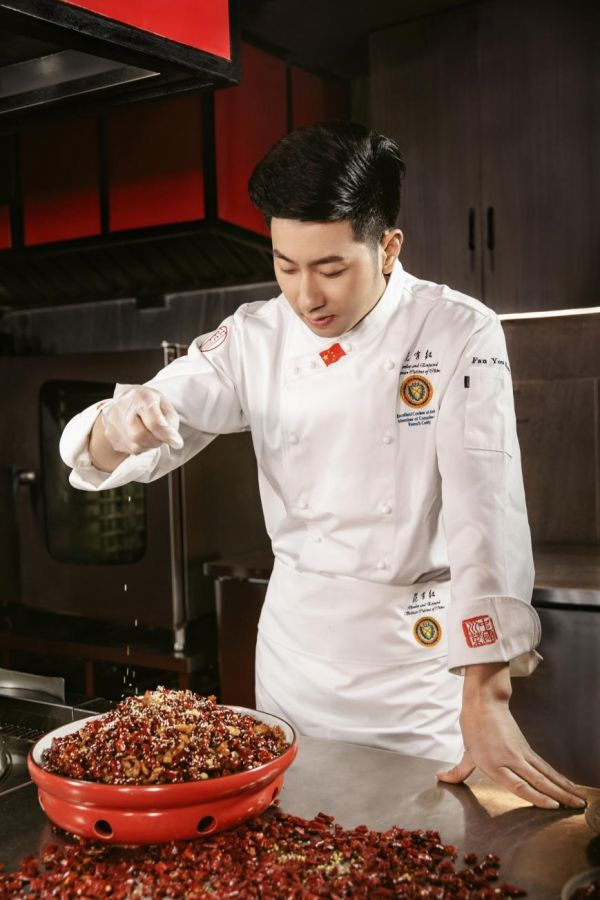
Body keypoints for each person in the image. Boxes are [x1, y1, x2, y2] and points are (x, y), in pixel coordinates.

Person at [60, 121, 586, 811]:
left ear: (388, 248)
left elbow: (485, 514)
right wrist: (119, 423)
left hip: (413, 674)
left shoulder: (458, 330)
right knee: (295, 842)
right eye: (286, 266)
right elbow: (132, 427)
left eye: (331, 269)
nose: (306, 295)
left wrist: (485, 693)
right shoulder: (256, 336)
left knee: (418, 843)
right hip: (295, 668)